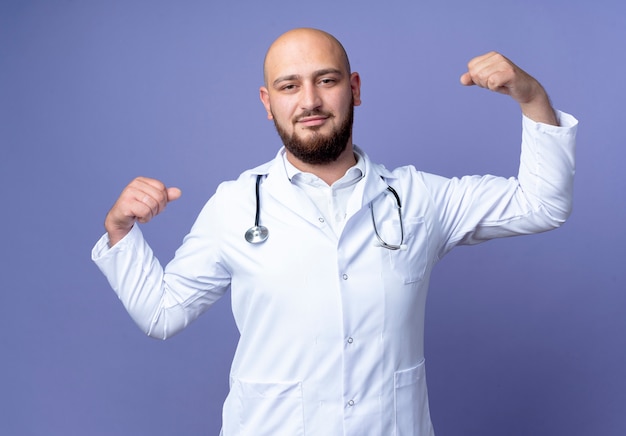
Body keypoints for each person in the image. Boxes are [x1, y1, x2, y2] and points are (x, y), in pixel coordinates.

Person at [92, 28, 577, 435]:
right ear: (268, 102)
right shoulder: (235, 206)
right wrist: (119, 229)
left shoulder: (419, 198)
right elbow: (160, 313)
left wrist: (531, 97)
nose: (310, 101)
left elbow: (542, 205)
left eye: (326, 80)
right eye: (289, 86)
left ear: (355, 89)